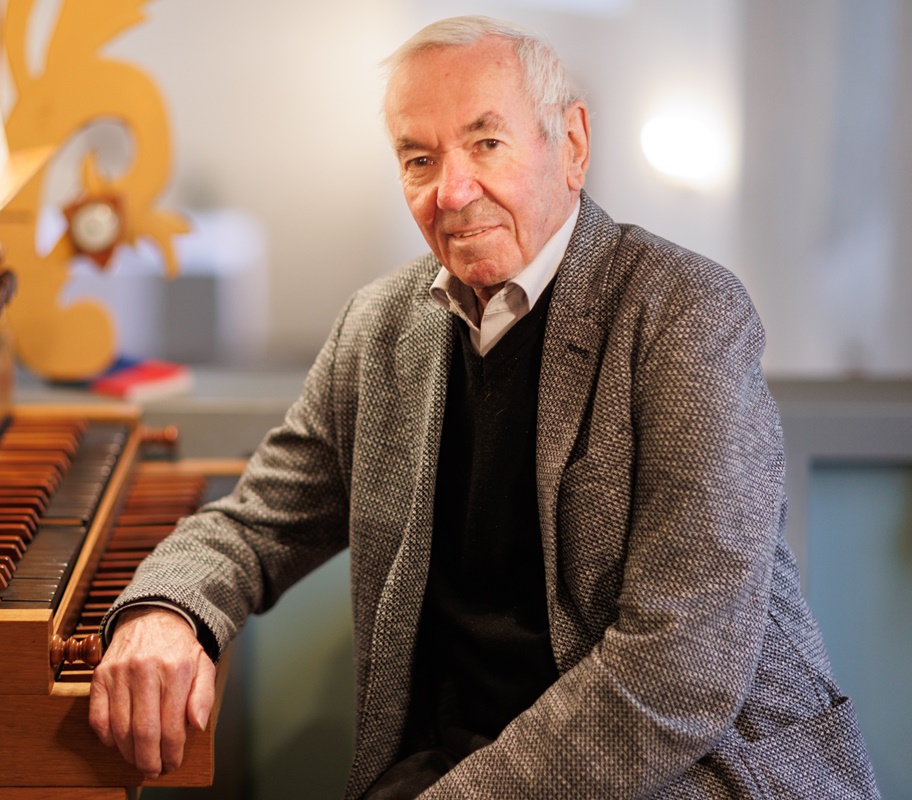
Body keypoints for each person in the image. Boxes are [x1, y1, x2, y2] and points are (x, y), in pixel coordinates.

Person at [88, 15, 879, 799]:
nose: (453, 190)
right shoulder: (380, 325)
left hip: (691, 770)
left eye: (486, 143)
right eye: (419, 158)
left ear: (571, 145)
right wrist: (169, 610)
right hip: (452, 759)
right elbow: (258, 523)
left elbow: (678, 671)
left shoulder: (684, 314)